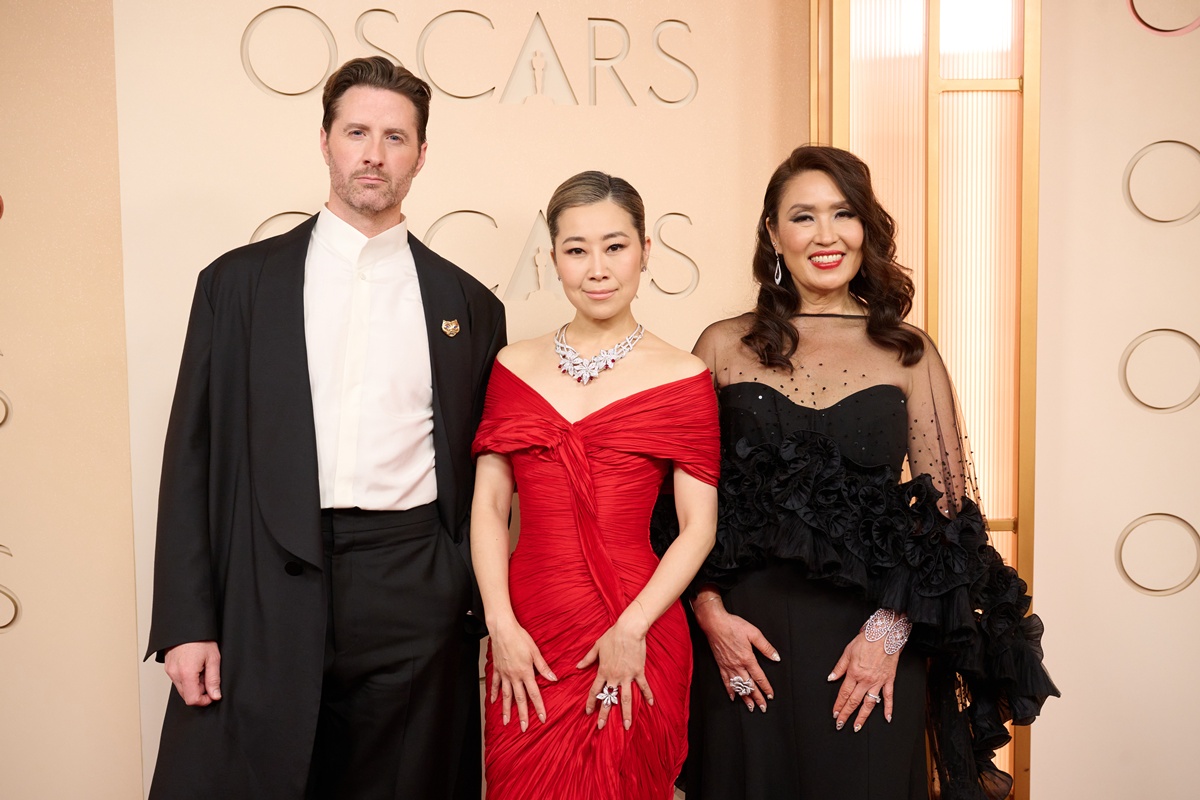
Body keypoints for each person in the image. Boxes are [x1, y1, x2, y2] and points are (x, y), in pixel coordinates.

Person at [144, 56, 506, 799]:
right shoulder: (237, 284)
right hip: (264, 578)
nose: (374, 154)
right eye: (357, 132)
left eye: (395, 137)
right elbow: (191, 457)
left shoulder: (468, 305)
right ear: (325, 141)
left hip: (412, 587)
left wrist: (456, 589)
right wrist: (185, 621)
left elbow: (486, 473)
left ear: (421, 155)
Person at [679, 146, 1058, 800]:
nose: (825, 235)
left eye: (843, 213)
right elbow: (685, 506)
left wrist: (889, 633)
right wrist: (710, 615)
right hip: (743, 643)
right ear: (773, 232)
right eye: (803, 216)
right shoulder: (721, 344)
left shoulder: (909, 352)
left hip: (874, 643)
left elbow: (950, 524)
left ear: (865, 228)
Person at [469, 171, 719, 799]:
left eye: (615, 246)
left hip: (636, 618)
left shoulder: (683, 375)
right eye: (577, 250)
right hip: (528, 624)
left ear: (645, 251)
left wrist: (632, 629)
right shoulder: (512, 365)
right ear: (553, 258)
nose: (598, 269)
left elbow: (698, 528)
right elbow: (490, 505)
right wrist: (500, 624)